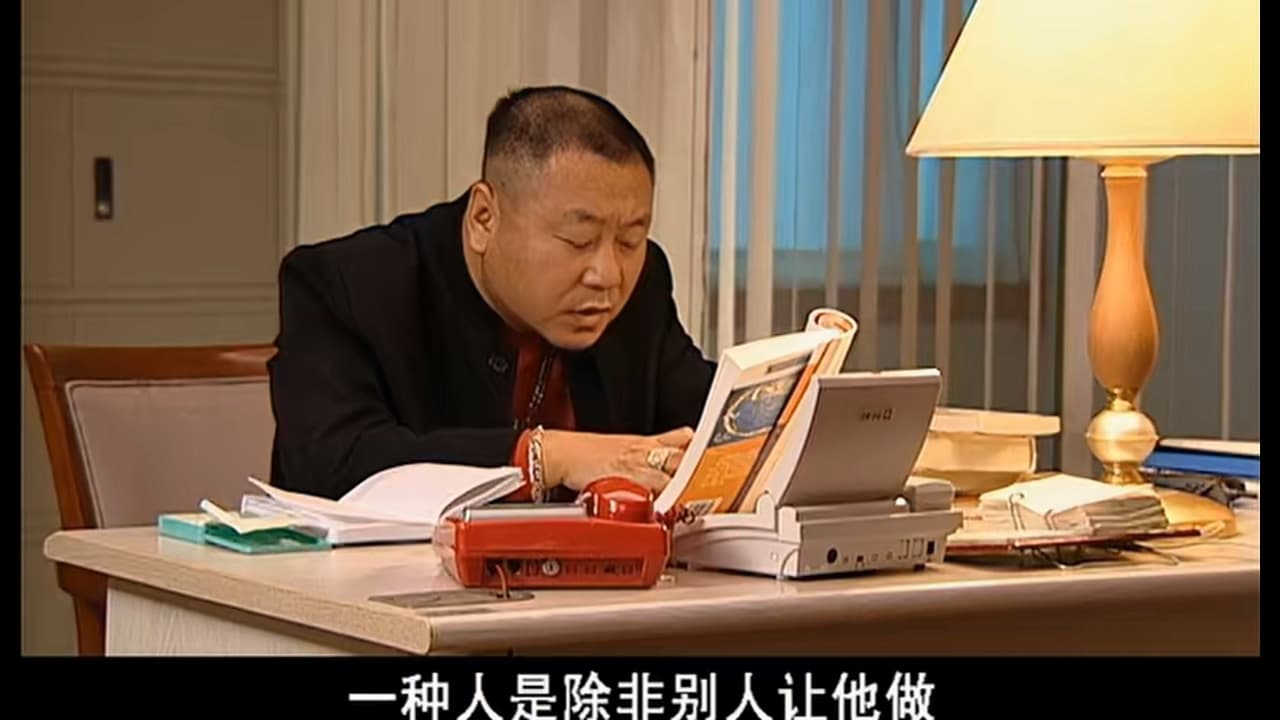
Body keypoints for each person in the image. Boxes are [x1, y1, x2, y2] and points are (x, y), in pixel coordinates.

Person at [267, 85, 716, 502]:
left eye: (630, 240)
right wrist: (548, 457)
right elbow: (331, 463)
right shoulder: (346, 286)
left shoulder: (641, 285)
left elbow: (707, 420)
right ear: (484, 218)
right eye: (579, 240)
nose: (608, 274)